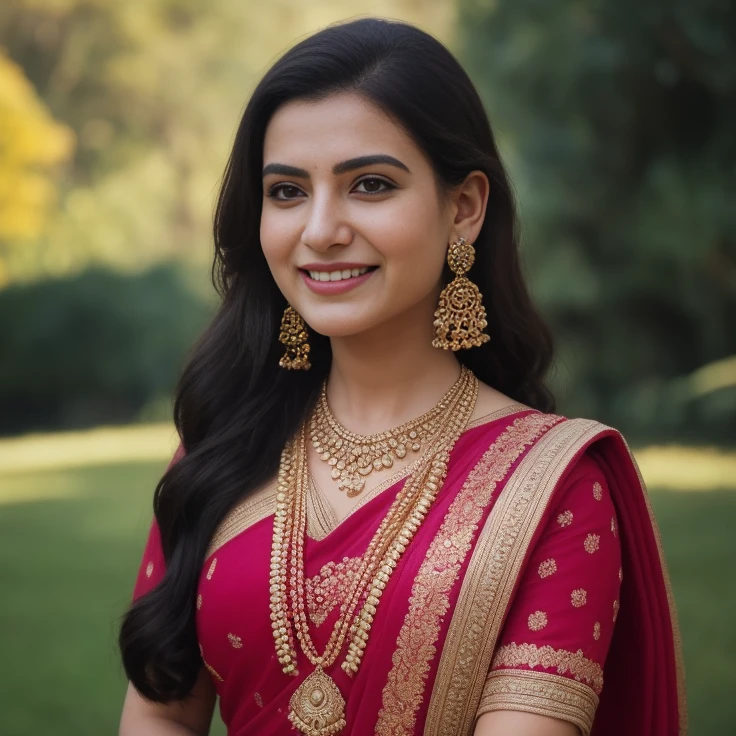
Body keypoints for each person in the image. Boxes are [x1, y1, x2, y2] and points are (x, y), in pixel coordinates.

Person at [118, 17, 686, 736]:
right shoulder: (218, 455)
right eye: (288, 192)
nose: (319, 230)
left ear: (464, 207)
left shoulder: (555, 489)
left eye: (370, 185)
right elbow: (160, 711)